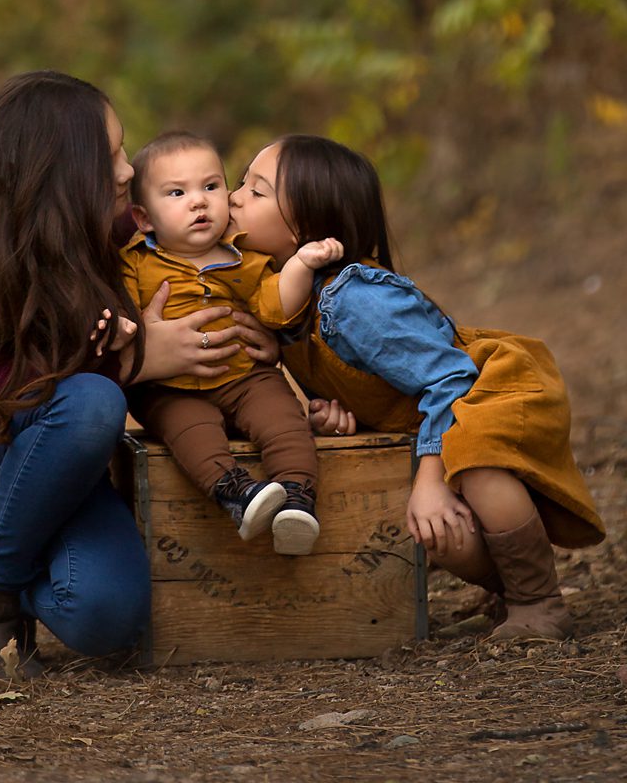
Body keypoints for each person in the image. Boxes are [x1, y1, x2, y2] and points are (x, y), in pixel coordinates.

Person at [0, 71, 277, 678]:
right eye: (112, 156)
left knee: (108, 618)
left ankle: (12, 578)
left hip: (66, 480)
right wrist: (135, 360)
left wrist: (271, 331)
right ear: (65, 168)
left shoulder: (127, 231)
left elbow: (236, 259)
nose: (129, 170)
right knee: (92, 401)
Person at [228, 134, 606, 643]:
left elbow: (451, 380)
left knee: (477, 465)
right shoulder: (285, 302)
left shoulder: (354, 302)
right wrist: (337, 412)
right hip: (435, 417)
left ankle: (540, 602)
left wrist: (431, 481)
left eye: (255, 191)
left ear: (307, 230)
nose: (233, 197)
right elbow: (373, 379)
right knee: (438, 531)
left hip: (485, 390)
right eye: (240, 183)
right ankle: (513, 591)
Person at [121, 131, 341, 555]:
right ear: (144, 219)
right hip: (170, 386)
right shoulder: (134, 263)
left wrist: (300, 265)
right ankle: (236, 492)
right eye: (177, 193)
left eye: (210, 186)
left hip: (244, 376)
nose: (198, 202)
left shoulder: (244, 257)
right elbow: (123, 314)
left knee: (283, 420)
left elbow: (275, 306)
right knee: (190, 432)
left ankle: (296, 497)